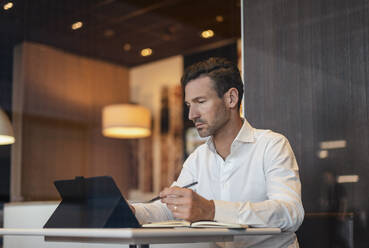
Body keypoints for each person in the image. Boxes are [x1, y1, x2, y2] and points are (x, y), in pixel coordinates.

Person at [131, 57, 304, 247]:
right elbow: (170, 209)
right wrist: (131, 211)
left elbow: (291, 212)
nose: (192, 115)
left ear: (231, 98)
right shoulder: (197, 158)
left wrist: (212, 210)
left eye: (201, 101)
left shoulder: (271, 145)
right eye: (189, 105)